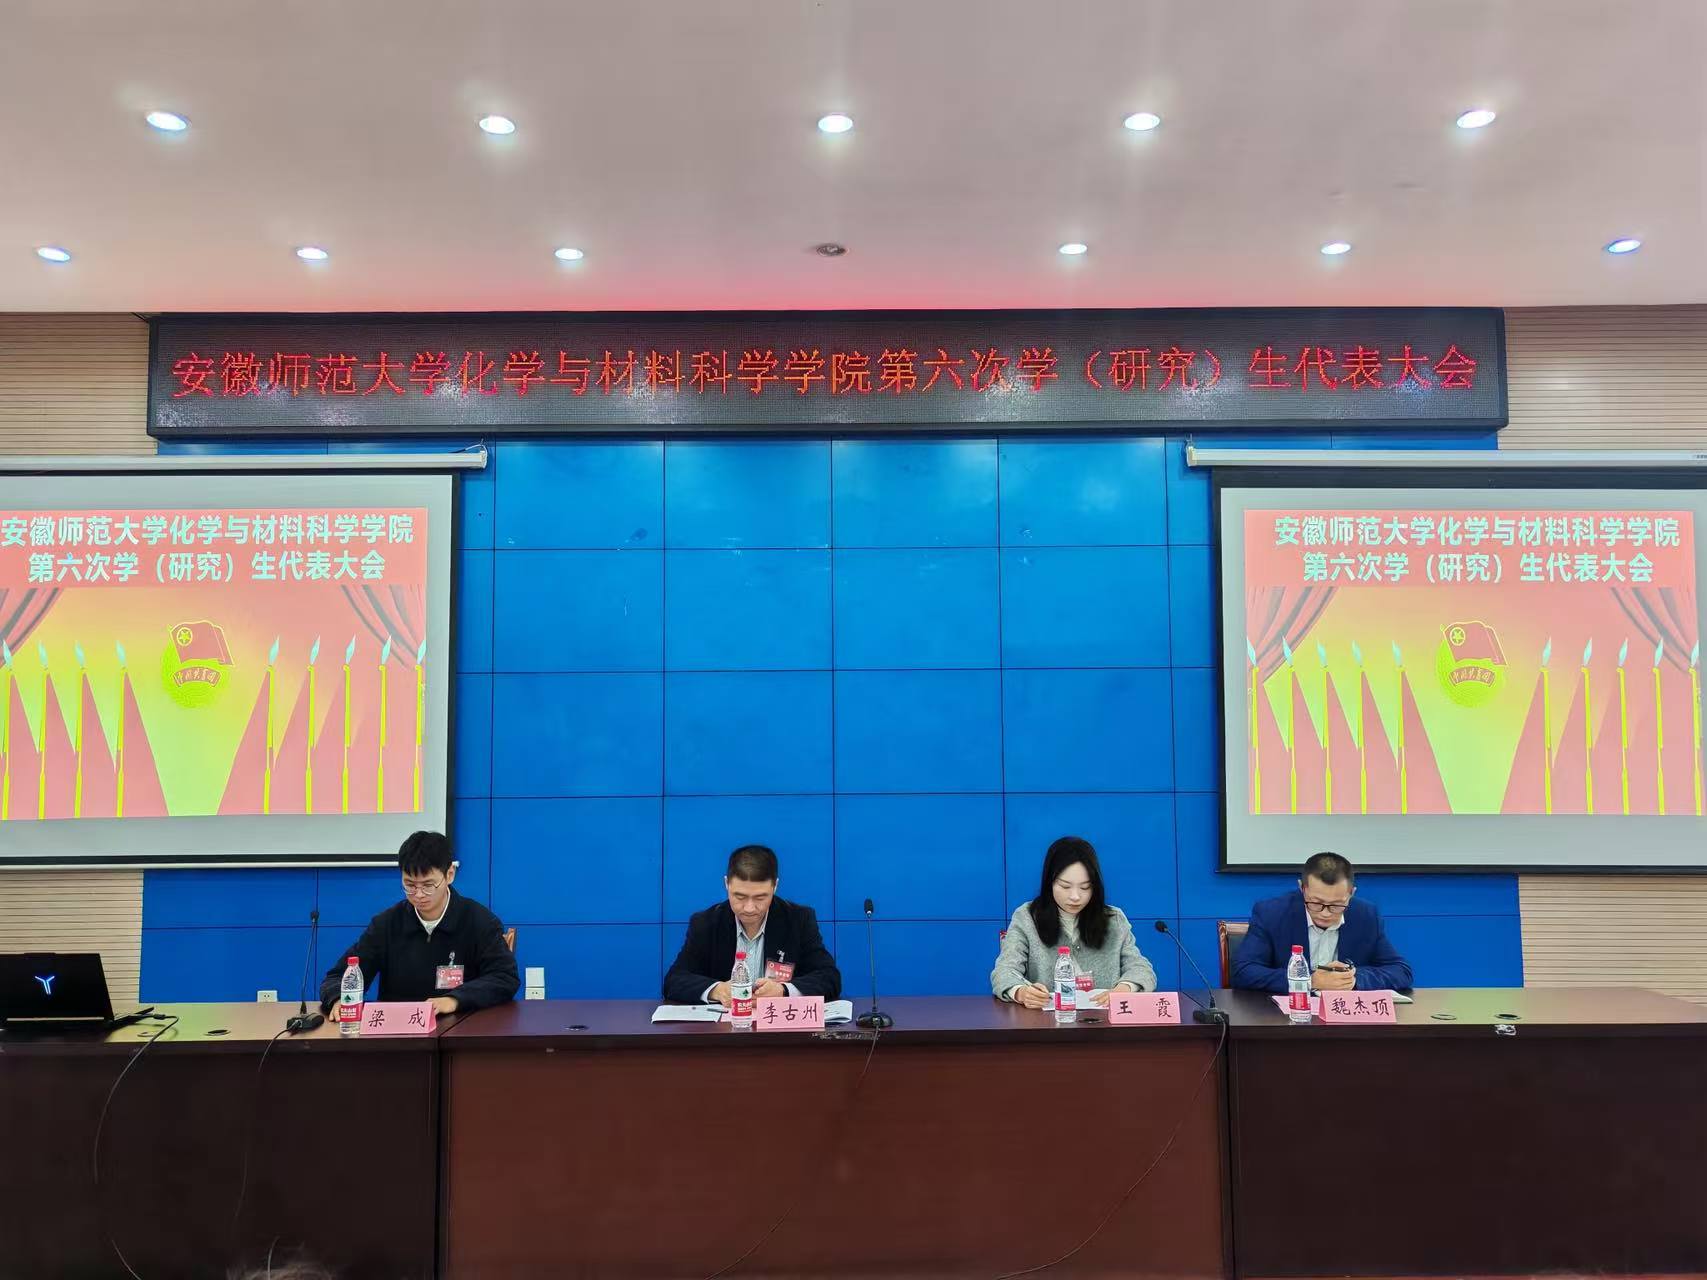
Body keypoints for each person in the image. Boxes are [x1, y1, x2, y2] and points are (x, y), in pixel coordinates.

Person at [317, 831, 518, 1018]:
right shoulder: (387, 924)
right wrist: (339, 998)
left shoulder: (479, 921)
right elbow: (338, 976)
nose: (419, 895)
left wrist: (455, 999)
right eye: (410, 885)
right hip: (398, 1032)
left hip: (460, 1028)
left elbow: (504, 977)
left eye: (428, 885)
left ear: (449, 875)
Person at [664, 844, 841, 1005]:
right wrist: (718, 990)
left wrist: (783, 991)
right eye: (740, 897)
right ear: (726, 884)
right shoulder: (706, 923)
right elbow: (674, 980)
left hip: (778, 1027)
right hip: (725, 1027)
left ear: (775, 886)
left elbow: (829, 977)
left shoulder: (798, 920)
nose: (749, 908)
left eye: (760, 897)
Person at [992, 836, 1157, 1008]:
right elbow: (1004, 971)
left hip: (1103, 1021)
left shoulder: (1113, 919)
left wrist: (1124, 989)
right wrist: (1022, 992)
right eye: (1065, 886)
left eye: (1085, 887)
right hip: (1046, 1022)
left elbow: (1141, 969)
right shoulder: (1027, 917)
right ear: (1049, 882)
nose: (1075, 896)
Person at [1232, 851, 1413, 993]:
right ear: (1302, 888)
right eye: (1316, 903)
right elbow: (1244, 971)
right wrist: (1309, 980)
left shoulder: (1365, 915)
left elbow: (1401, 971)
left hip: (1345, 1019)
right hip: (1286, 1017)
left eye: (1337, 905)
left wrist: (1352, 979)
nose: (1325, 913)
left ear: (1351, 893)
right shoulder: (1272, 913)